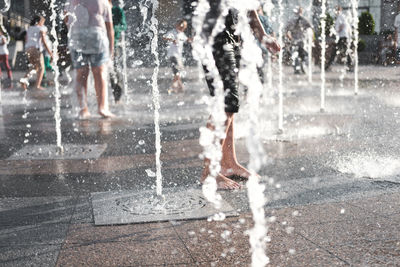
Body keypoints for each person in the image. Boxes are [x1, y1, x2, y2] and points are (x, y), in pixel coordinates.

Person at [201, 3, 280, 189]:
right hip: (215, 37)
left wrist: (263, 36)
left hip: (232, 38)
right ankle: (209, 173)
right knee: (225, 104)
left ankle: (229, 164)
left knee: (230, 106)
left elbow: (249, 6)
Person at [64, 0, 115, 119]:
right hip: (97, 38)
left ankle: (83, 109)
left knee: (81, 73)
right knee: (100, 72)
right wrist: (111, 50)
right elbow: (109, 28)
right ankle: (102, 108)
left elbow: (67, 21)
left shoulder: (70, 1)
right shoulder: (103, 2)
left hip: (77, 38)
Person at [20, 16, 52, 90]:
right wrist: (50, 53)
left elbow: (26, 39)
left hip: (28, 49)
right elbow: (44, 41)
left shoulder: (30, 28)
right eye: (43, 22)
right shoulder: (41, 29)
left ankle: (24, 79)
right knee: (41, 68)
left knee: (35, 67)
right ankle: (37, 86)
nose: (43, 23)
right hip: (35, 49)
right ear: (39, 21)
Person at [163, 19, 191, 93]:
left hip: (179, 56)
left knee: (178, 72)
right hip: (172, 56)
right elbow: (164, 37)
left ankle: (178, 87)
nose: (182, 28)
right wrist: (172, 40)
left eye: (184, 27)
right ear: (176, 25)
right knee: (176, 72)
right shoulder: (172, 32)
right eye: (181, 26)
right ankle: (173, 88)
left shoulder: (181, 34)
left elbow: (186, 39)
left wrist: (191, 39)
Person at [285, 7, 312, 74]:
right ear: (301, 12)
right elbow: (310, 27)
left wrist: (289, 37)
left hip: (294, 40)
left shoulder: (291, 20)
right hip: (302, 40)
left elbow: (286, 29)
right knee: (304, 54)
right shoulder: (304, 19)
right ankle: (303, 67)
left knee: (295, 54)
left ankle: (297, 68)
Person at [109, 0, 127, 104]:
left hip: (114, 45)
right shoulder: (99, 10)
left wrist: (112, 28)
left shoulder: (117, 10)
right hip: (99, 45)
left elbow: (124, 25)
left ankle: (117, 96)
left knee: (114, 70)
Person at [326, 6, 352, 71]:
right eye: (335, 10)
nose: (336, 12)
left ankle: (328, 65)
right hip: (342, 37)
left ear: (340, 10)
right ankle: (350, 64)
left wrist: (338, 30)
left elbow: (344, 25)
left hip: (343, 36)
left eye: (337, 10)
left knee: (338, 51)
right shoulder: (339, 17)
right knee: (341, 50)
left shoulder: (341, 16)